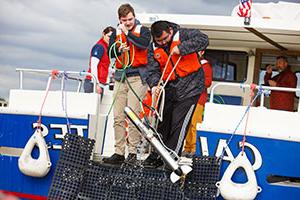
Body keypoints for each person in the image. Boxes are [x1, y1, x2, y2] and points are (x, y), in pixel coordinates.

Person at [144, 20, 209, 168]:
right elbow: (152, 70)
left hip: (190, 88)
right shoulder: (153, 47)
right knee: (162, 123)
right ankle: (157, 154)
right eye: (159, 41)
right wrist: (154, 85)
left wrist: (182, 48)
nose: (163, 43)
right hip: (168, 89)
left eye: (165, 39)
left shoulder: (184, 34)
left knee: (178, 124)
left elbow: (204, 39)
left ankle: (171, 156)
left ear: (170, 31)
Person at [102, 3, 151, 164]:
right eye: (125, 20)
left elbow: (143, 44)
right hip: (120, 78)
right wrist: (119, 50)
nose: (128, 22)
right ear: (119, 19)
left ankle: (132, 153)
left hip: (137, 78)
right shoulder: (115, 33)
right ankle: (118, 152)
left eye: (130, 19)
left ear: (134, 17)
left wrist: (127, 34)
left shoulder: (143, 31)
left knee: (133, 116)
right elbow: (111, 53)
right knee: (118, 116)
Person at [183, 52, 213, 157]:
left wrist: (193, 83)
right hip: (187, 98)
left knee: (195, 124)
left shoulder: (205, 65)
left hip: (199, 98)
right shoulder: (191, 63)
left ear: (202, 52)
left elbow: (208, 82)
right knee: (187, 124)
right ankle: (187, 148)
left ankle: (194, 148)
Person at [84, 26, 115, 98]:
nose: (110, 39)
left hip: (100, 83)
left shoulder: (106, 48)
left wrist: (113, 71)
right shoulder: (100, 47)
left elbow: (103, 65)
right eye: (109, 36)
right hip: (93, 82)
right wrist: (96, 83)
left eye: (112, 37)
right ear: (103, 34)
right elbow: (93, 65)